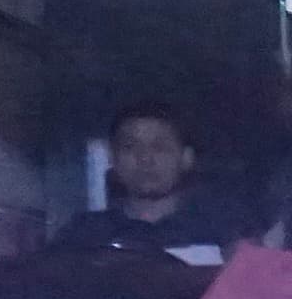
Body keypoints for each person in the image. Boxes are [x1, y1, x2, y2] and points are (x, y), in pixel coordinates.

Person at [50, 103, 253, 262]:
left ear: (186, 158)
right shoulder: (83, 235)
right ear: (112, 158)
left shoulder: (225, 230)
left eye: (160, 147)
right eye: (130, 147)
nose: (145, 159)